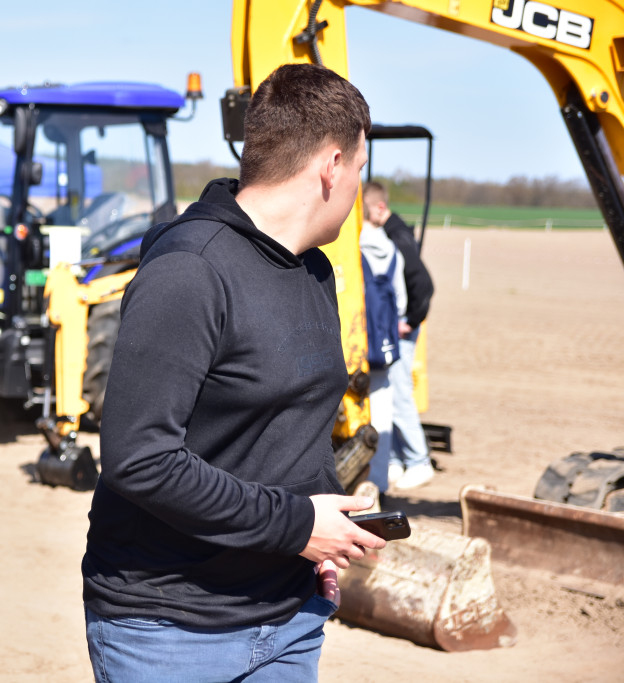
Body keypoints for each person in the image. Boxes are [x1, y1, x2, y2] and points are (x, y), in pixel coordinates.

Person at [81, 63, 387, 682]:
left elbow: (291, 432)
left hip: (290, 615)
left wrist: (326, 533)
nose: (359, 186)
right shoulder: (189, 272)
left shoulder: (313, 272)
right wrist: (299, 525)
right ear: (331, 166)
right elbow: (140, 459)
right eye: (360, 167)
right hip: (169, 629)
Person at [362, 181, 436, 490]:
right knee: (388, 395)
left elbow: (424, 284)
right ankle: (392, 460)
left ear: (378, 208)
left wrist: (410, 320)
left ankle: (419, 461)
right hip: (390, 323)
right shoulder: (392, 234)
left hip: (399, 326)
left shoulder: (397, 236)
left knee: (400, 393)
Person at [360, 217, 406, 496]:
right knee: (382, 411)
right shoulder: (392, 251)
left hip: (357, 343)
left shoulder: (354, 247)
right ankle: (378, 482)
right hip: (384, 346)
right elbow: (400, 300)